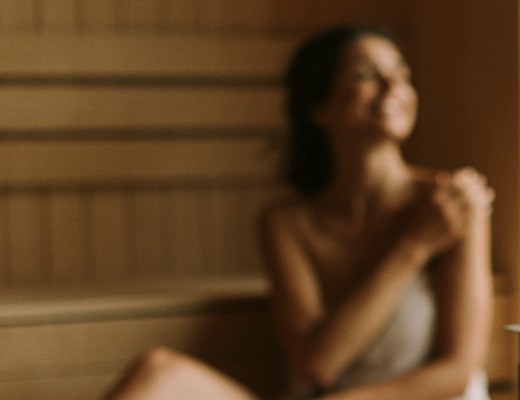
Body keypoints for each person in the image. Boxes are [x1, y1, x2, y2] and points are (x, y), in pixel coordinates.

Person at [105, 25, 495, 400]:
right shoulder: (288, 223)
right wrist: (414, 246)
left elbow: (458, 370)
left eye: (401, 74)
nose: (393, 87)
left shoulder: (450, 204)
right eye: (366, 74)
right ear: (319, 107)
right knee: (158, 373)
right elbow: (316, 365)